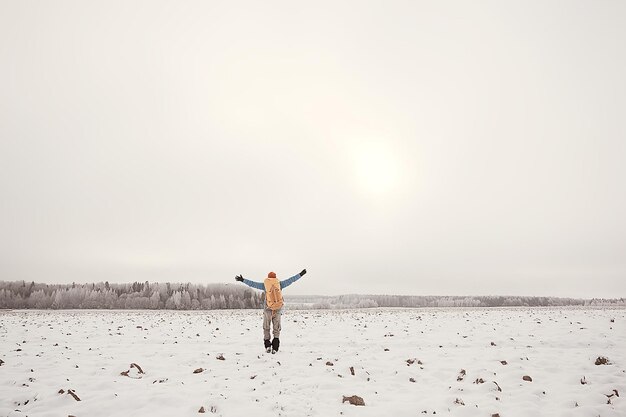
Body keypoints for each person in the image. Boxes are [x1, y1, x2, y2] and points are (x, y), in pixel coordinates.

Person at [235, 269, 307, 353]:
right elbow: (291, 280)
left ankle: (267, 345)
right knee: (276, 327)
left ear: (268, 278)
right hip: (278, 308)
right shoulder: (280, 284)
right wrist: (300, 274)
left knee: (266, 326)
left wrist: (243, 280)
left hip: (268, 308)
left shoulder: (265, 285)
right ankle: (275, 347)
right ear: (275, 278)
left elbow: (253, 284)